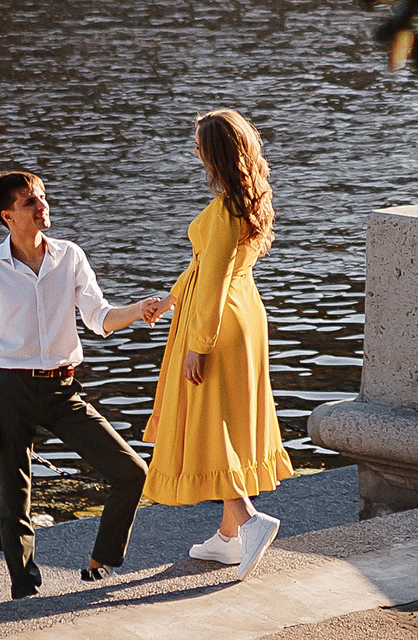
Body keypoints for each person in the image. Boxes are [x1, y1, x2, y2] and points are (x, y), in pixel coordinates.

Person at [0, 169, 171, 600]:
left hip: (63, 389)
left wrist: (139, 309)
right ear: (7, 216)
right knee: (14, 500)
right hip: (10, 392)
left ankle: (101, 561)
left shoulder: (69, 256)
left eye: (42, 196)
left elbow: (98, 318)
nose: (42, 206)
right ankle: (24, 590)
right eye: (29, 202)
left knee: (131, 472)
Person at [141, 109, 295, 578]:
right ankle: (228, 539)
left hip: (219, 322)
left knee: (211, 424)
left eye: (200, 146)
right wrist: (170, 299)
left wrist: (198, 344)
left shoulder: (227, 208)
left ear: (215, 154)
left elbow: (213, 278)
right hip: (244, 312)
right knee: (227, 420)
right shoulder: (251, 199)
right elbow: (204, 265)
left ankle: (247, 519)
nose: (195, 152)